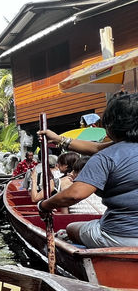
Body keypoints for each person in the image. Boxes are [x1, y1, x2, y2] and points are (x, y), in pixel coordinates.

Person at [37, 92, 138, 248]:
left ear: (110, 125)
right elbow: (96, 147)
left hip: (119, 236)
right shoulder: (107, 152)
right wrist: (59, 139)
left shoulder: (106, 157)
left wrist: (44, 205)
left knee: (71, 228)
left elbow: (73, 195)